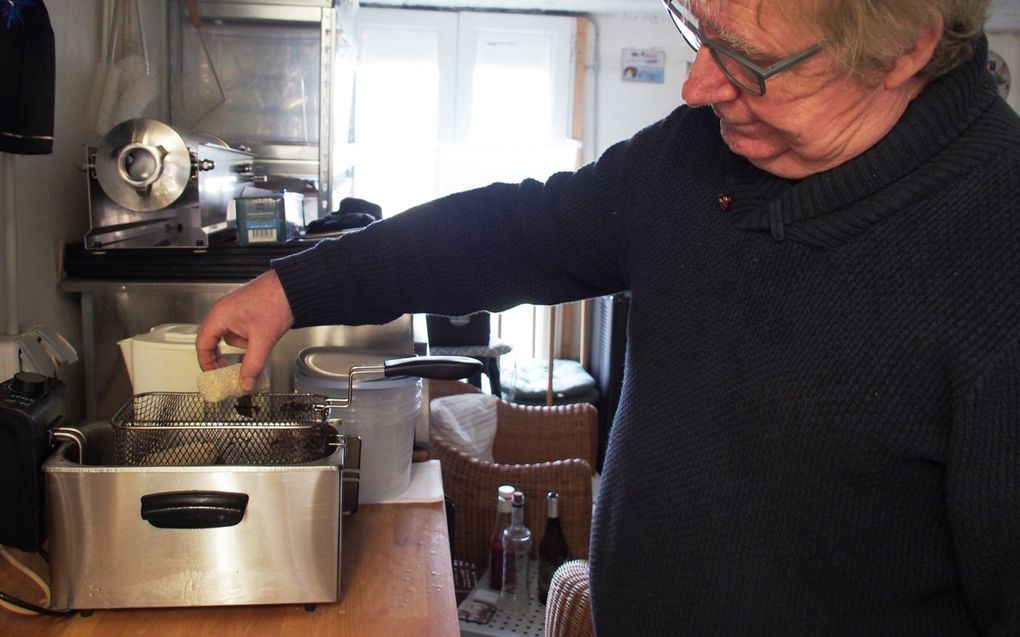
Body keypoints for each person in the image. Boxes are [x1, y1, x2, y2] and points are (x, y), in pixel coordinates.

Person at [197, 0, 1020, 633]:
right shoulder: (696, 152)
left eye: (750, 61)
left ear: (906, 45)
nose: (698, 85)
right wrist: (297, 287)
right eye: (698, 28)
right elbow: (510, 231)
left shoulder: (996, 255)